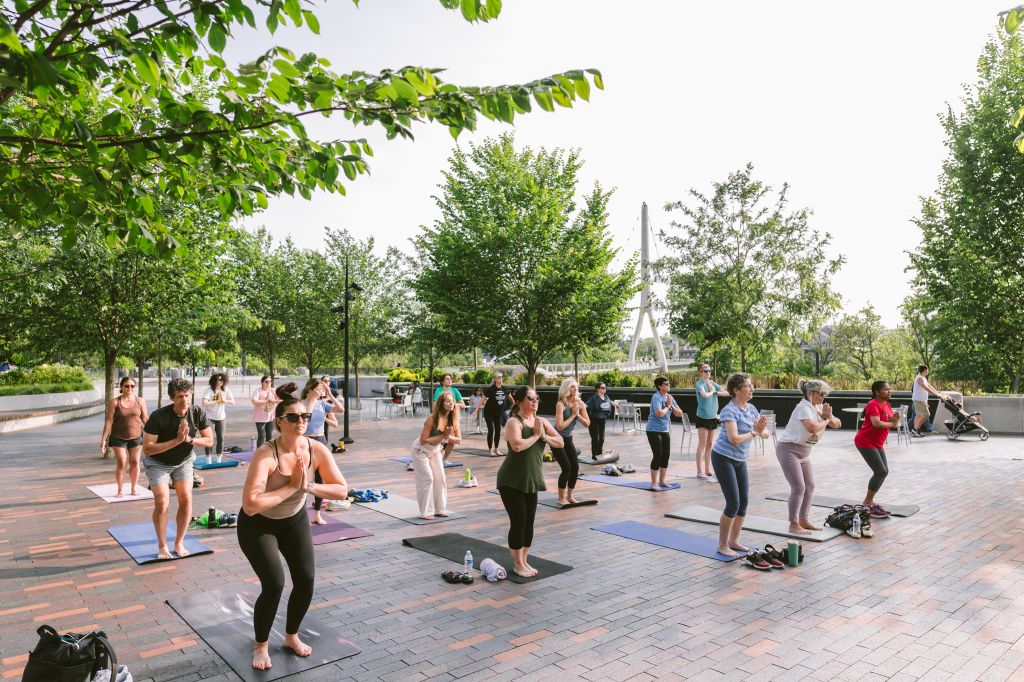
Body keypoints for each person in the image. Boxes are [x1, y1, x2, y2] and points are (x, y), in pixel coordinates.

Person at [238, 394, 348, 671]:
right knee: (274, 584)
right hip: (258, 525)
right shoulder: (266, 453)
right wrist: (291, 487)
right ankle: (261, 644)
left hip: (292, 520)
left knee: (306, 579)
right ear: (279, 421)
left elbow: (341, 490)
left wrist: (308, 487)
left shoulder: (316, 449)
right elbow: (251, 505)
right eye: (294, 417)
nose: (301, 421)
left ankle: (291, 636)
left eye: (305, 416)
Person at [142, 378, 214, 559]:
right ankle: (162, 545)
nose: (184, 400)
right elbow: (148, 448)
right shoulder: (158, 416)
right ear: (172, 398)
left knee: (186, 498)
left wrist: (190, 440)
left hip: (184, 461)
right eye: (180, 396)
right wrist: (176, 441)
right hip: (157, 462)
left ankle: (179, 542)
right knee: (162, 501)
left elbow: (209, 440)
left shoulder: (197, 412)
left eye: (187, 395)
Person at [496, 385, 563, 577]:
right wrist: (536, 435)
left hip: (531, 478)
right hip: (510, 479)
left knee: (529, 522)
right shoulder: (514, 422)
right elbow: (517, 446)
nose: (535, 401)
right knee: (519, 521)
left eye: (537, 398)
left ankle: (524, 561)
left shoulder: (539, 421)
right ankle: (517, 564)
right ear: (519, 402)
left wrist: (543, 436)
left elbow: (561, 441)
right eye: (530, 398)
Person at [711, 373, 769, 557]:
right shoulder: (730, 410)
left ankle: (734, 541)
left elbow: (763, 430)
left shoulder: (751, 408)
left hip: (740, 459)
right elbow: (734, 439)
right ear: (736, 390)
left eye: (752, 385)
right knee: (733, 503)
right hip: (723, 457)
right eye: (748, 386)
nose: (752, 389)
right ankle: (722, 544)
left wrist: (763, 431)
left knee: (743, 502)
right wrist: (755, 432)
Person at [775, 379, 841, 535]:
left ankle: (804, 520)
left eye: (825, 394)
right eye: (821, 394)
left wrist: (829, 418)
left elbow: (838, 424)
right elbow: (811, 428)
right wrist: (825, 420)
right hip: (788, 450)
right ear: (809, 393)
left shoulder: (818, 407)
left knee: (810, 486)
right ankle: (793, 523)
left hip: (805, 452)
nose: (823, 397)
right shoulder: (803, 407)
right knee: (798, 487)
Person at [300, 378, 344, 525]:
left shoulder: (322, 404)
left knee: (320, 479)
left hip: (320, 441)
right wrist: (311, 400)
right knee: (304, 478)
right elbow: (305, 418)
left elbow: (340, 410)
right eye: (318, 389)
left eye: (322, 389)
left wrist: (330, 395)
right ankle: (301, 515)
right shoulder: (301, 404)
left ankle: (317, 514)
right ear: (309, 389)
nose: (320, 391)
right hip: (306, 442)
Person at [854, 380, 899, 518]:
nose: (889, 391)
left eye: (889, 389)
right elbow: (877, 423)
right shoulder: (873, 404)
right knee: (880, 471)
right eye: (886, 389)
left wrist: (894, 420)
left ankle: (870, 500)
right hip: (865, 441)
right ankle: (867, 502)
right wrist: (891, 422)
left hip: (877, 442)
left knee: (884, 472)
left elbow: (892, 422)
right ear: (876, 392)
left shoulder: (886, 404)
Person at [413, 391, 460, 520]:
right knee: (428, 478)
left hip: (435, 450)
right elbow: (423, 440)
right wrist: (444, 436)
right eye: (448, 401)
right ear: (441, 403)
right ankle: (426, 512)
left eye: (452, 401)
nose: (451, 403)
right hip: (420, 450)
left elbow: (459, 439)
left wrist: (449, 436)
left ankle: (440, 509)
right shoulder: (432, 418)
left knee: (440, 478)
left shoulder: (453, 419)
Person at [100, 376, 149, 497]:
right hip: (118, 437)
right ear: (121, 387)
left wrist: (156, 433)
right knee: (122, 462)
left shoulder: (140, 401)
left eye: (132, 386)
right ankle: (120, 489)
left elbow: (145, 418)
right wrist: (103, 439)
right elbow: (109, 421)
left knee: (135, 462)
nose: (129, 388)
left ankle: (133, 488)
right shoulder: (115, 402)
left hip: (136, 436)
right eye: (127, 386)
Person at [552, 378, 590, 504]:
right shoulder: (560, 404)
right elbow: (560, 426)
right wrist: (573, 415)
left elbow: (587, 424)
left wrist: (578, 415)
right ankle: (561, 498)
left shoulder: (580, 403)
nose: (575, 388)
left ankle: (569, 496)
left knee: (575, 467)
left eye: (576, 386)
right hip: (556, 438)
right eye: (572, 386)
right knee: (566, 467)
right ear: (566, 389)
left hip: (568, 438)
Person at [646, 377, 683, 490]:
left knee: (665, 456)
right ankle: (653, 483)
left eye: (668, 383)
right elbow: (659, 413)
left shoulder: (669, 398)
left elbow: (679, 413)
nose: (668, 385)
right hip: (653, 430)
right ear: (659, 386)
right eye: (666, 383)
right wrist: (667, 406)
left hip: (664, 430)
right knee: (658, 455)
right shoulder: (656, 397)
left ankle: (662, 481)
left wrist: (670, 405)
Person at [694, 364, 728, 482]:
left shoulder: (713, 384)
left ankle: (707, 469)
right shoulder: (699, 384)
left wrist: (715, 392)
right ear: (701, 372)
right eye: (705, 371)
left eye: (709, 370)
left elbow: (726, 393)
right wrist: (711, 392)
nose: (707, 372)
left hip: (713, 417)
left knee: (709, 444)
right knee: (702, 444)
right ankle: (699, 471)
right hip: (703, 417)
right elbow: (704, 395)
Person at [202, 373, 235, 461]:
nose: (219, 382)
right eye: (217, 380)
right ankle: (208, 459)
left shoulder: (226, 390)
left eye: (221, 380)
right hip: (209, 417)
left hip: (221, 417)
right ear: (213, 381)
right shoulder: (209, 390)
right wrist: (216, 402)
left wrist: (225, 400)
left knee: (221, 438)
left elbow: (233, 401)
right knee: (209, 438)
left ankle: (219, 459)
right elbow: (204, 403)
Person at [584, 382, 619, 460]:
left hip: (602, 420)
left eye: (605, 387)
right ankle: (594, 455)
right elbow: (585, 405)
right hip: (594, 420)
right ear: (598, 389)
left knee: (602, 438)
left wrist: (616, 405)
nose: (605, 389)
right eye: (603, 387)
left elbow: (610, 402)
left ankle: (599, 454)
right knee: (595, 438)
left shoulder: (606, 397)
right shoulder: (594, 398)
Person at [911, 364, 947, 436]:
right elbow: (926, 388)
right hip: (919, 399)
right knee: (926, 415)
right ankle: (916, 428)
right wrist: (936, 394)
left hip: (920, 399)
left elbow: (930, 386)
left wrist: (937, 392)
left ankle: (915, 431)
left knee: (918, 415)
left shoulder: (923, 378)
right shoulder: (920, 378)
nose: (928, 371)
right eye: (927, 370)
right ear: (924, 370)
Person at [483, 373, 511, 456]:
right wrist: (476, 410)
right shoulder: (491, 389)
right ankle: (490, 450)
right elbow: (483, 399)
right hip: (489, 412)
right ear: (495, 379)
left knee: (498, 430)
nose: (501, 378)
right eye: (499, 377)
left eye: (502, 377)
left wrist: (516, 405)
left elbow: (510, 398)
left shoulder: (504, 388)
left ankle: (496, 449)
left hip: (499, 413)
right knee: (491, 430)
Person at [251, 376, 279, 448]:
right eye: (266, 382)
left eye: (270, 381)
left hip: (270, 417)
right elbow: (254, 401)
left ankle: (268, 452)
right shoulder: (258, 391)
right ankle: (259, 452)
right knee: (261, 435)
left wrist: (274, 401)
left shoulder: (273, 391)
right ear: (262, 382)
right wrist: (265, 400)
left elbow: (281, 399)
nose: (268, 383)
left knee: (269, 435)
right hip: (260, 418)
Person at [320, 376, 339, 443]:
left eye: (328, 381)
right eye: (325, 380)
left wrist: (329, 398)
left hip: (327, 410)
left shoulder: (332, 390)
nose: (327, 382)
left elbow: (341, 399)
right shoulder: (318, 390)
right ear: (321, 382)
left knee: (325, 430)